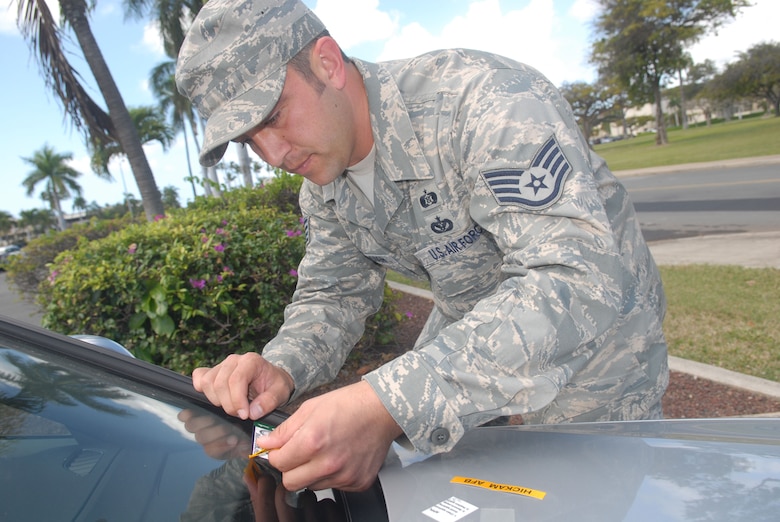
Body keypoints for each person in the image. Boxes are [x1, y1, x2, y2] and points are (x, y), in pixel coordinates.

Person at [175, 0, 669, 493]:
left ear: (327, 62)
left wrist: (386, 403)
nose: (274, 155)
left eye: (275, 115)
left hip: (597, 344)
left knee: (580, 499)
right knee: (453, 496)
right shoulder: (323, 185)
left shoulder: (484, 101)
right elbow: (333, 294)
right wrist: (281, 366)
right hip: (468, 333)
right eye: (249, 141)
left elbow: (576, 278)